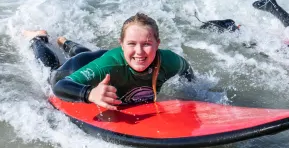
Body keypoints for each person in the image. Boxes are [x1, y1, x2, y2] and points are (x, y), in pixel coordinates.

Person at [26, 13, 194, 109]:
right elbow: (60, 87)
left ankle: (65, 42)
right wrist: (89, 93)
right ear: (121, 44)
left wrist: (190, 90)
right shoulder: (109, 66)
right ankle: (39, 39)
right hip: (73, 70)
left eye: (147, 44)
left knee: (89, 55)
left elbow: (186, 69)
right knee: (51, 71)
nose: (139, 51)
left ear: (158, 43)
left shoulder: (169, 60)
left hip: (101, 59)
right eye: (131, 44)